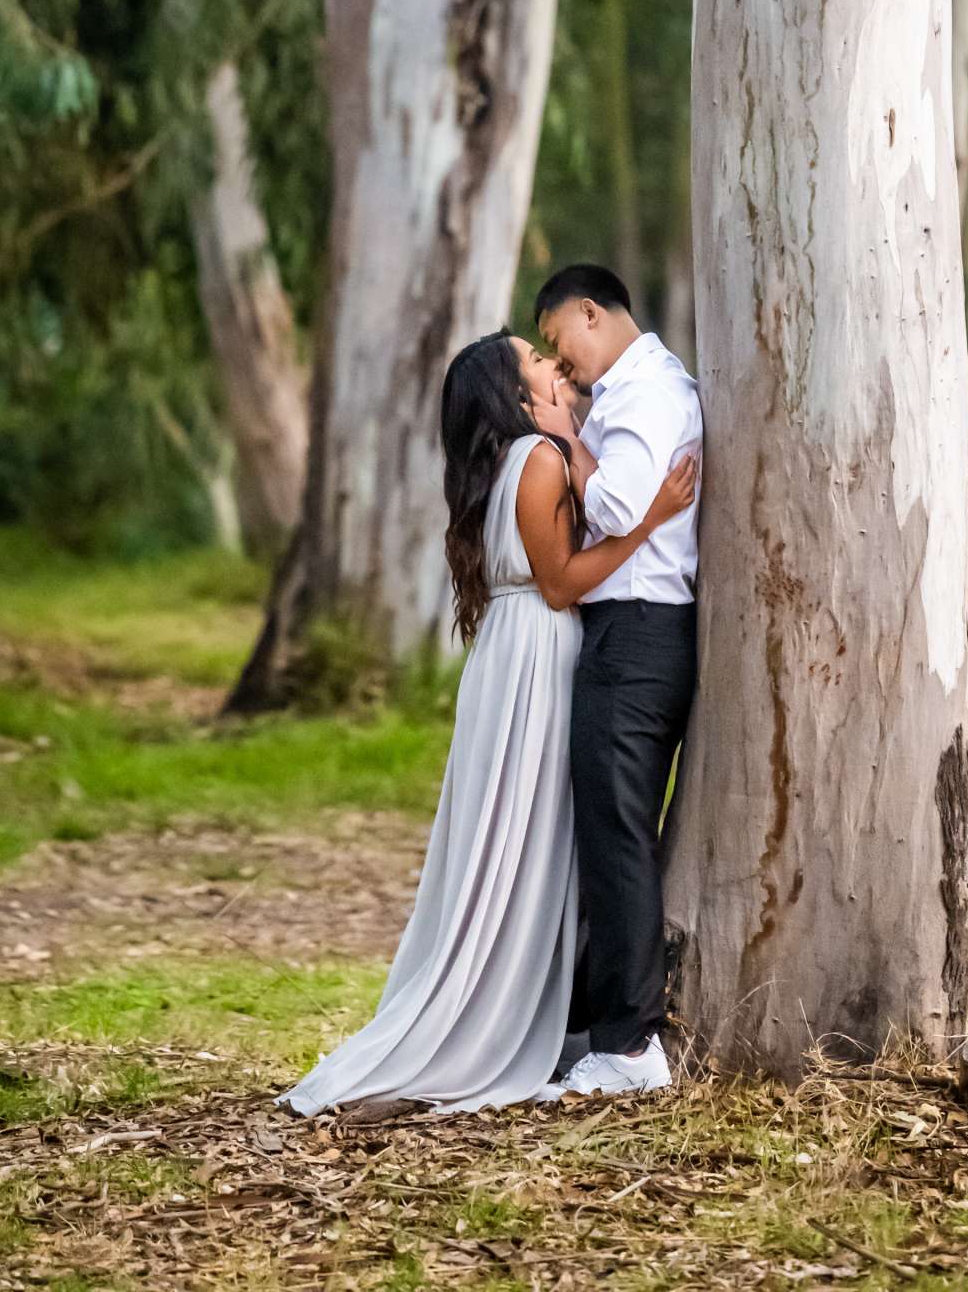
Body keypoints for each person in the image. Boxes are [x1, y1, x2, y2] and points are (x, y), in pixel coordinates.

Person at [281, 330, 696, 1116]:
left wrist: (575, 439)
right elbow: (563, 583)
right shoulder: (536, 462)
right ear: (516, 395)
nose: (554, 364)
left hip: (513, 655)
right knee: (535, 835)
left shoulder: (530, 457)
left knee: (527, 836)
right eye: (537, 363)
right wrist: (652, 521)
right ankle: (522, 1017)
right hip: (538, 656)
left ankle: (547, 1008)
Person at [534, 264, 703, 1099]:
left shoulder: (643, 396)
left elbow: (615, 506)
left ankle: (632, 1046)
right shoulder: (645, 388)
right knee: (606, 828)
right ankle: (590, 1024)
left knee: (618, 833)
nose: (559, 363)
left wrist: (565, 439)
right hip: (635, 631)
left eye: (558, 339)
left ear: (591, 313)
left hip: (636, 635)